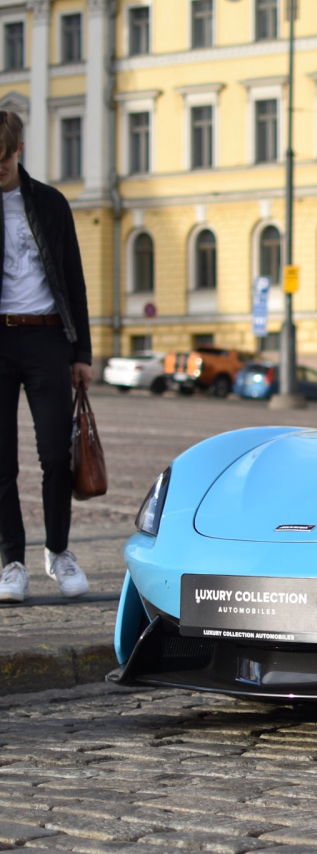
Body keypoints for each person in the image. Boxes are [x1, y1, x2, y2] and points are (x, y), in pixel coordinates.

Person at [0, 111, 92, 603]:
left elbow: (74, 280)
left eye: (3, 159)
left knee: (57, 454)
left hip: (47, 338)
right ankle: (11, 561)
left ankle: (58, 551)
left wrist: (83, 352)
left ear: (19, 151)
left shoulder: (51, 204)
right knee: (1, 463)